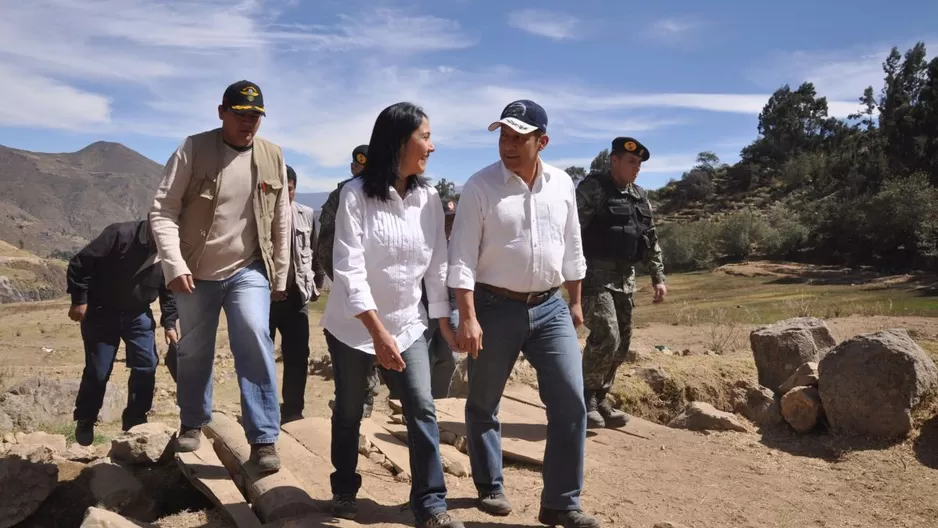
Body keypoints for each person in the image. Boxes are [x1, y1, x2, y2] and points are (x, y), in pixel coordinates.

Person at [447, 100, 600, 528]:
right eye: (503, 136)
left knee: (571, 402)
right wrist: (469, 316)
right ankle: (490, 485)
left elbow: (572, 246)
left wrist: (574, 300)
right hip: (494, 306)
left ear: (542, 142)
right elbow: (460, 259)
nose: (508, 145)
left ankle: (561, 503)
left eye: (519, 137)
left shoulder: (562, 184)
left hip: (550, 307)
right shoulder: (479, 187)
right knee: (482, 402)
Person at [320, 101, 462, 528]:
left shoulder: (429, 199)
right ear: (400, 141)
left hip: (407, 322)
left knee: (421, 406)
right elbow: (348, 268)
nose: (432, 146)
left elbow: (437, 265)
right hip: (353, 326)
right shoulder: (355, 195)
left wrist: (442, 321)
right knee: (349, 409)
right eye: (425, 136)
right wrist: (376, 330)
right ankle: (344, 487)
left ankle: (431, 503)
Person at [148, 80, 290, 473]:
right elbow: (162, 210)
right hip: (196, 272)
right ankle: (193, 420)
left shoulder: (271, 155)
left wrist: (280, 275)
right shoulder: (194, 149)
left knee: (254, 337)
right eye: (241, 115)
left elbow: (281, 218)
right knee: (193, 350)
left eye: (256, 116)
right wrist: (174, 265)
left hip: (248, 268)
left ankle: (263, 439)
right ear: (221, 112)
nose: (249, 123)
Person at [576, 137, 667, 429]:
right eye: (631, 162)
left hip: (626, 279)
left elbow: (650, 239)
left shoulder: (639, 196)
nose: (636, 168)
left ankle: (602, 398)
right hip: (594, 277)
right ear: (614, 160)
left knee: (622, 345)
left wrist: (658, 277)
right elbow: (571, 230)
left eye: (639, 164)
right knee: (607, 334)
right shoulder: (593, 189)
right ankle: (584, 399)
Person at [66, 219, 178, 446]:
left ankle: (135, 420)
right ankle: (86, 419)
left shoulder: (169, 247)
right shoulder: (119, 234)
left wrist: (169, 322)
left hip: (137, 314)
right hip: (101, 312)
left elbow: (169, 287)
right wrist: (80, 300)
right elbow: (80, 263)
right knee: (99, 370)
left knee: (146, 364)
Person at [317, 144, 381, 418]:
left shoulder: (388, 193)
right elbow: (326, 244)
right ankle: (352, 401)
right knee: (346, 341)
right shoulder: (340, 195)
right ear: (352, 167)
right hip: (349, 285)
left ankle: (366, 398)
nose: (360, 173)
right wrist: (342, 279)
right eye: (357, 168)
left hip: (381, 286)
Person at [270, 165, 325, 425]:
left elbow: (314, 249)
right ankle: (265, 409)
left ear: (295, 188)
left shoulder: (306, 214)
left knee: (297, 356)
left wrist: (317, 282)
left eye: (289, 190)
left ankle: (293, 410)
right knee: (260, 356)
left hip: (296, 298)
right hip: (266, 299)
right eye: (280, 190)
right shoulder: (262, 215)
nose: (285, 195)